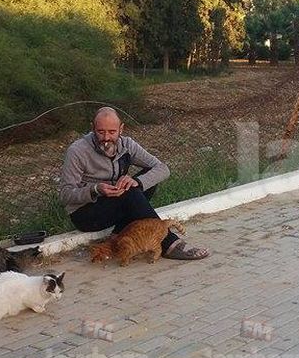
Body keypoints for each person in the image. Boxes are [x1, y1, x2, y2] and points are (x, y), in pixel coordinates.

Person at [60, 107, 209, 260]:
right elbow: (65, 194)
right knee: (131, 192)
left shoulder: (127, 145)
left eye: (112, 132)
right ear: (92, 128)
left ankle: (118, 233)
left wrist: (137, 181)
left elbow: (162, 168)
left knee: (144, 181)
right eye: (100, 132)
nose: (106, 138)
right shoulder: (77, 151)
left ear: (121, 129)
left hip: (115, 203)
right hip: (86, 214)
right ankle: (169, 243)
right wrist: (95, 189)